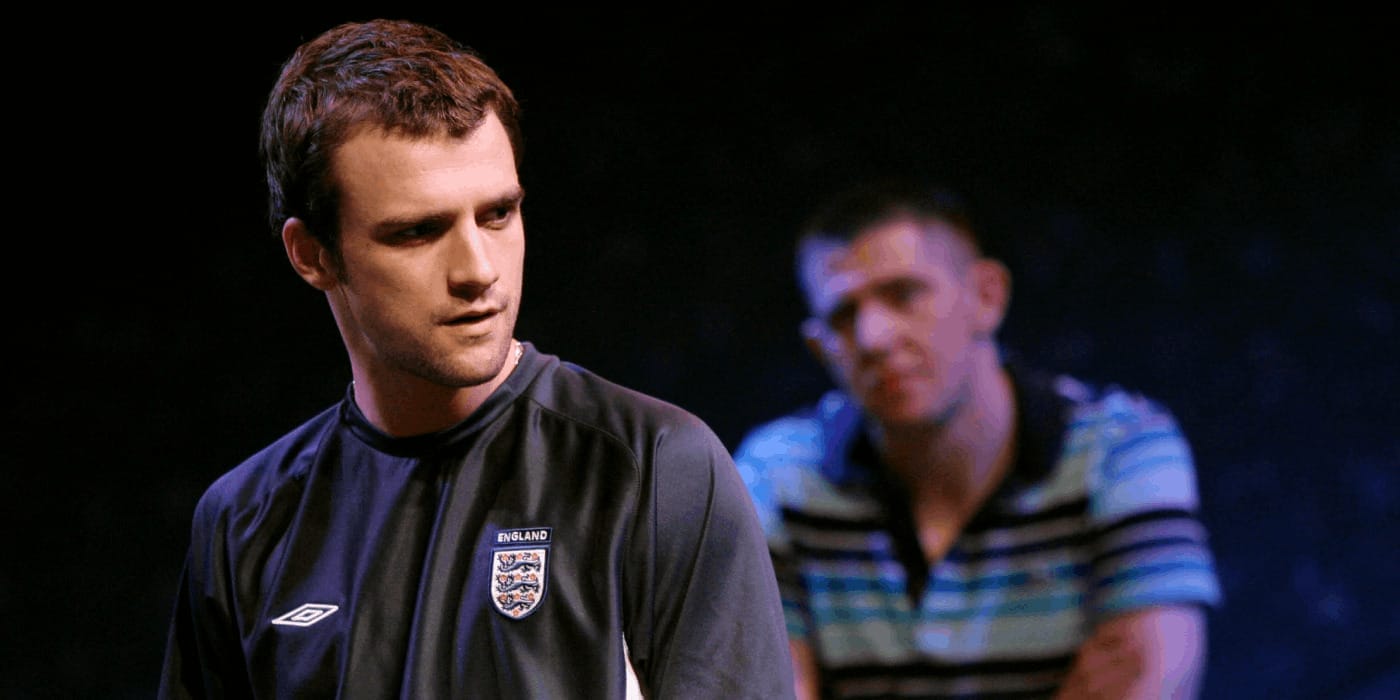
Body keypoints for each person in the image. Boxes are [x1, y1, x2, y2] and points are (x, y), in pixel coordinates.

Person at [159, 18, 793, 699]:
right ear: (311, 254)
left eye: (497, 215)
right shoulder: (243, 520)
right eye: (417, 232)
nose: (478, 269)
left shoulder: (654, 470)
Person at [733, 178, 1224, 699]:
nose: (874, 336)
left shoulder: (1119, 447)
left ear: (987, 297)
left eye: (904, 294)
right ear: (820, 346)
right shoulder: (776, 475)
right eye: (843, 314)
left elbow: (1147, 684)